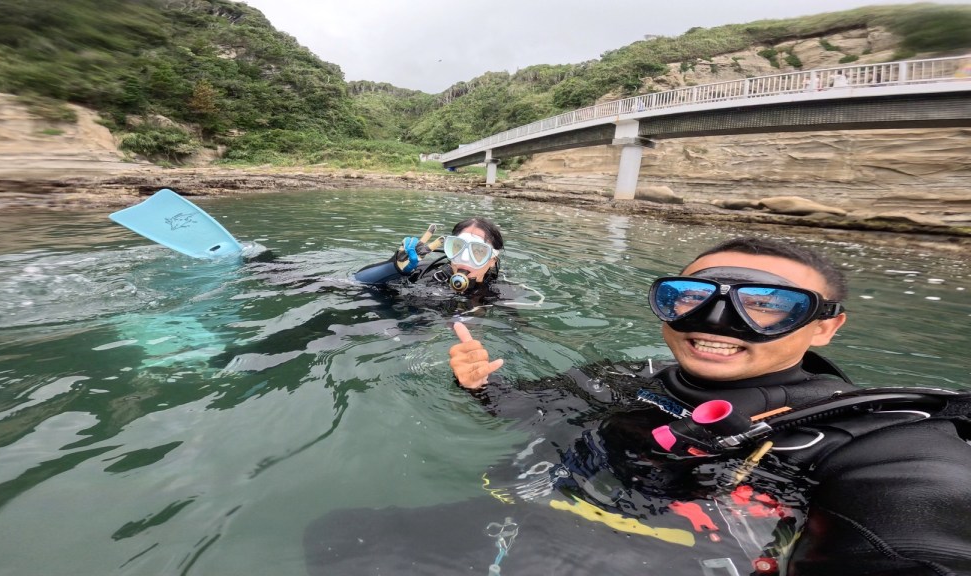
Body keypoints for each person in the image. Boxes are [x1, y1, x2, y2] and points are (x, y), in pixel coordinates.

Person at [447, 236, 971, 575]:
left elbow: (923, 535)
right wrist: (480, 386)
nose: (715, 321)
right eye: (693, 297)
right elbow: (524, 409)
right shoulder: (621, 379)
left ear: (825, 327)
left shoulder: (874, 439)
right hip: (513, 530)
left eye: (766, 304)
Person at [353, 217, 504, 298]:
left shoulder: (501, 293)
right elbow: (355, 283)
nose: (464, 258)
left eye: (479, 251)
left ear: (492, 260)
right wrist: (393, 268)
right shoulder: (424, 274)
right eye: (457, 247)